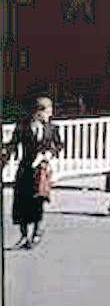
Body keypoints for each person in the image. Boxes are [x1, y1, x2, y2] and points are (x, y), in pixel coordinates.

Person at [1, 98, 64, 249]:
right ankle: (23, 234)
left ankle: (36, 232)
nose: (50, 115)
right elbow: (13, 145)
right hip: (25, 168)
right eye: (47, 112)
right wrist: (5, 157)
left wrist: (49, 154)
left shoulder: (52, 128)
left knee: (38, 201)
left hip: (41, 170)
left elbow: (59, 145)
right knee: (21, 202)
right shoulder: (23, 126)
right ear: (38, 112)